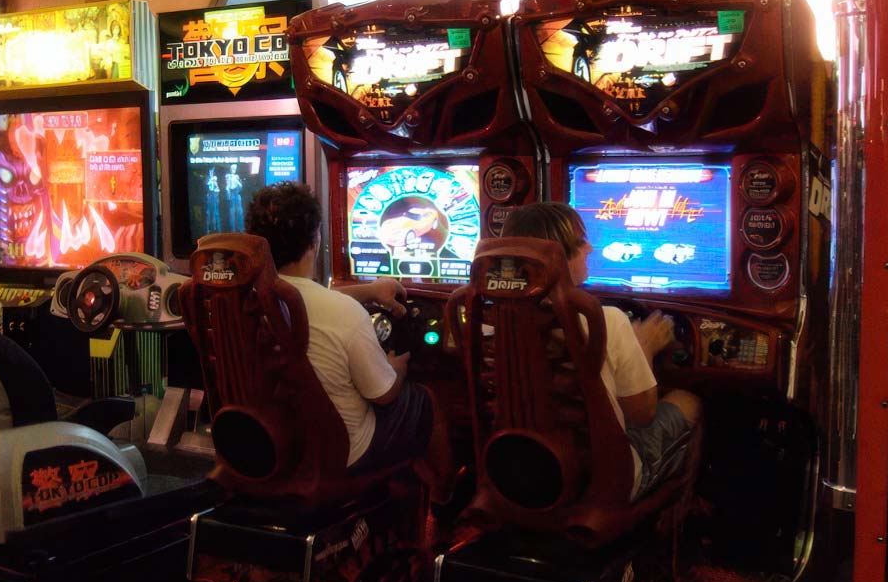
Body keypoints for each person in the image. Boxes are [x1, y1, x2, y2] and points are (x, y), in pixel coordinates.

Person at [244, 181, 454, 499]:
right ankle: (444, 504)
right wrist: (395, 367)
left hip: (263, 448)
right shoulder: (341, 311)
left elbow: (305, 297)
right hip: (340, 454)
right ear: (315, 239)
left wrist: (368, 291)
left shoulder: (242, 301)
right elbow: (382, 395)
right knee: (424, 400)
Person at [500, 202, 701, 502]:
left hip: (513, 470)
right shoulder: (605, 320)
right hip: (600, 478)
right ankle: (670, 528)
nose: (591, 248)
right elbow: (642, 414)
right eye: (580, 242)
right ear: (557, 258)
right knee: (689, 401)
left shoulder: (488, 320)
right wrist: (643, 346)